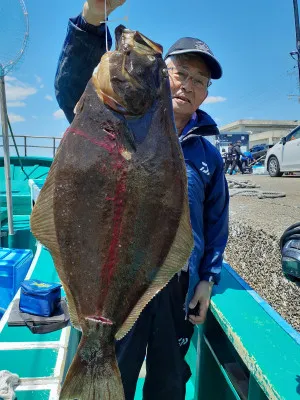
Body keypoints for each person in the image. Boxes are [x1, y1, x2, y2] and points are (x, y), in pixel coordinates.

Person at [54, 1, 229, 399]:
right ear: (163, 77)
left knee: (169, 380)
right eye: (180, 73)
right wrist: (90, 21)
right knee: (122, 366)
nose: (187, 85)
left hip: (176, 284)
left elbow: (217, 221)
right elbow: (69, 89)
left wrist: (207, 278)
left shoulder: (209, 156)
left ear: (206, 93)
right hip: (119, 280)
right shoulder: (110, 119)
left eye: (198, 80)